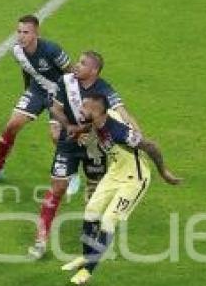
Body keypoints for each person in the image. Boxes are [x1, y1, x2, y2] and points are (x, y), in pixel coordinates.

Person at [61, 95, 182, 286]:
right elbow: (96, 122)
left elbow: (151, 146)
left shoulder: (120, 133)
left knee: (108, 220)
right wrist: (79, 131)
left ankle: (87, 271)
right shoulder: (101, 116)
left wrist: (164, 172)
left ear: (97, 111)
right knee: (91, 211)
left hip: (134, 179)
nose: (81, 111)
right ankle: (87, 257)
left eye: (85, 108)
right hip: (115, 172)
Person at [28, 51, 132, 260]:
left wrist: (133, 133)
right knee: (57, 187)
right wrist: (69, 127)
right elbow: (56, 109)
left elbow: (121, 112)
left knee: (94, 191)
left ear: (94, 71)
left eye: (82, 63)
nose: (76, 65)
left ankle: (90, 235)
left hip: (95, 146)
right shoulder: (66, 81)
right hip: (68, 143)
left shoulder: (104, 90)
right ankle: (40, 240)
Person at [0, 15, 78, 193]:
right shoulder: (17, 51)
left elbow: (72, 74)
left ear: (36, 33)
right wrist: (27, 91)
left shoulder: (52, 50)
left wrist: (72, 101)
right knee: (11, 126)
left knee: (56, 136)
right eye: (19, 31)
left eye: (26, 32)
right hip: (37, 91)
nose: (21, 36)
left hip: (59, 94)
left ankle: (73, 174)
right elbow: (26, 69)